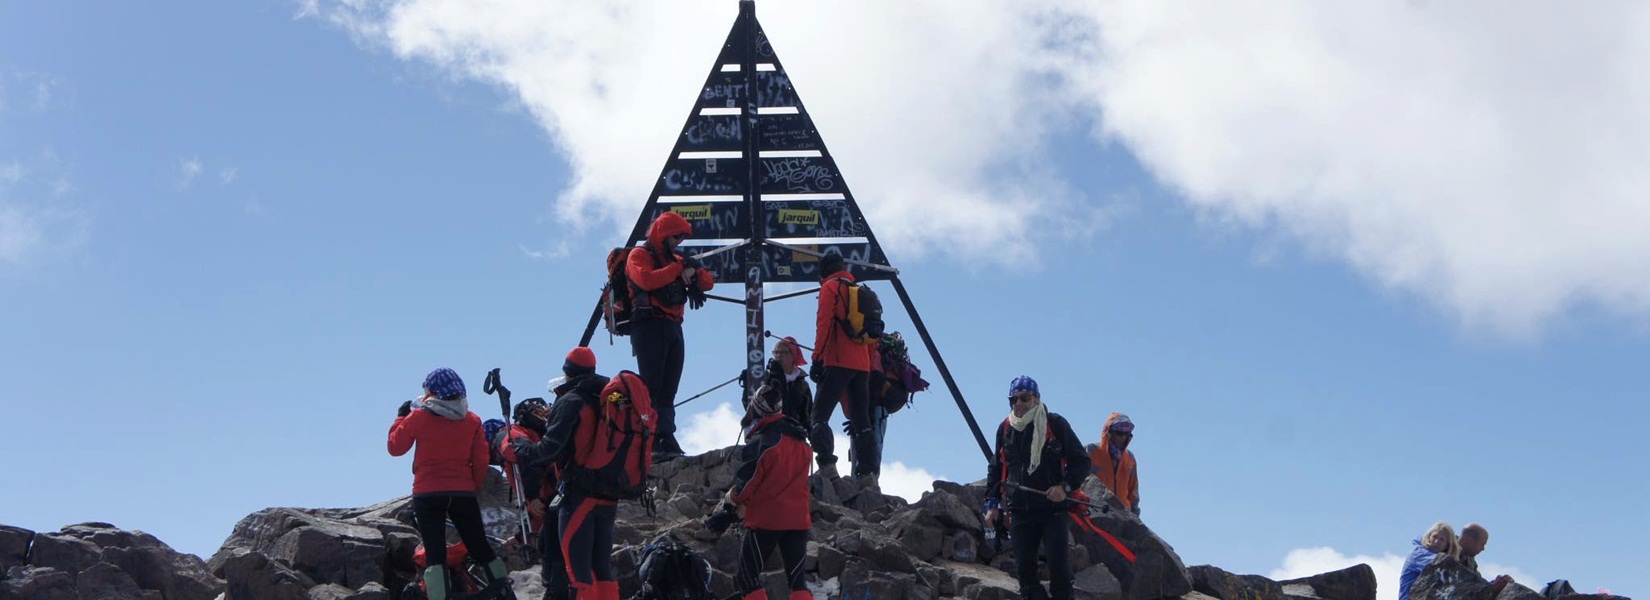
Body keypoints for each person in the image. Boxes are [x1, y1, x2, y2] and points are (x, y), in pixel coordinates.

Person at [512, 347, 627, 600]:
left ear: (567, 373)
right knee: (602, 568)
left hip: (579, 495)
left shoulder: (571, 401)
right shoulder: (611, 398)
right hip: (610, 492)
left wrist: (523, 449)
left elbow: (548, 450)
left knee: (577, 571)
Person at [388, 368, 512, 600]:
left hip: (427, 493)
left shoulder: (418, 417)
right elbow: (481, 459)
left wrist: (400, 418)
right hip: (462, 492)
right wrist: (471, 486)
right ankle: (505, 592)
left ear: (432, 392)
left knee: (435, 554)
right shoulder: (472, 420)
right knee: (479, 546)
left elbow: (396, 448)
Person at [984, 376, 1092, 600]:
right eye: (1014, 399)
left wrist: (1064, 487)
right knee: (1025, 573)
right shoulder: (1005, 429)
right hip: (1020, 512)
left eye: (1025, 398)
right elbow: (996, 468)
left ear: (1037, 399)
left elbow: (1081, 460)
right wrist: (991, 504)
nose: (1019, 404)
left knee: (1059, 569)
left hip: (1053, 511)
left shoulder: (1055, 424)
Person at [709, 380, 814, 600]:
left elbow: (747, 485)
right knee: (797, 582)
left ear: (755, 408)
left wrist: (730, 503)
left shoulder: (764, 442)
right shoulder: (801, 442)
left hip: (768, 519)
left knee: (748, 577)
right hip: (798, 520)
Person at [627, 211, 715, 459]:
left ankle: (664, 434)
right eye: (676, 236)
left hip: (673, 326)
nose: (679, 242)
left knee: (668, 389)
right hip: (649, 326)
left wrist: (694, 269)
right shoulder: (639, 255)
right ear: (663, 234)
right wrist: (679, 268)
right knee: (652, 387)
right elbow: (645, 280)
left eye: (681, 238)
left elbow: (708, 283)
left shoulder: (676, 259)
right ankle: (653, 437)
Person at [807, 252, 877, 482]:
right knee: (862, 421)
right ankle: (868, 473)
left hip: (837, 361)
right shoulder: (860, 291)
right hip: (862, 365)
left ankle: (827, 465)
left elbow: (824, 324)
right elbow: (871, 337)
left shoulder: (830, 288)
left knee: (819, 417)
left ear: (824, 271)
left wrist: (817, 358)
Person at [496, 396, 570, 600]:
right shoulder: (543, 433)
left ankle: (558, 592)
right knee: (551, 544)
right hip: (564, 495)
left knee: (551, 546)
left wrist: (532, 495)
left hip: (556, 497)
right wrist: (521, 536)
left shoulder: (514, 435)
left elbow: (525, 458)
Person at [750, 336, 812, 432]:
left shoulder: (802, 385)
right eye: (776, 352)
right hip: (769, 431)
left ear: (793, 356)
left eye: (784, 352)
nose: (779, 355)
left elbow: (809, 414)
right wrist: (749, 383)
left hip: (795, 433)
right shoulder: (766, 378)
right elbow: (750, 404)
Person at [1087, 413, 1140, 516]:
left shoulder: (1130, 458)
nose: (1123, 437)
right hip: (1094, 512)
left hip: (1123, 515)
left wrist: (1135, 516)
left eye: (1127, 434)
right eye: (1119, 433)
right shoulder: (1091, 451)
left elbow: (1133, 492)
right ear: (1109, 432)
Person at [1399, 522, 1460, 600]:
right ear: (1429, 537)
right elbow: (1438, 565)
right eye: (1435, 537)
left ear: (1447, 545)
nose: (1436, 541)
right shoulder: (1418, 553)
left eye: (1442, 540)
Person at [1459, 523, 1515, 593]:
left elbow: (1478, 585)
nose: (1483, 549)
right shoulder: (1446, 550)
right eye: (1482, 544)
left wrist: (1498, 584)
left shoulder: (1471, 562)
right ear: (1470, 540)